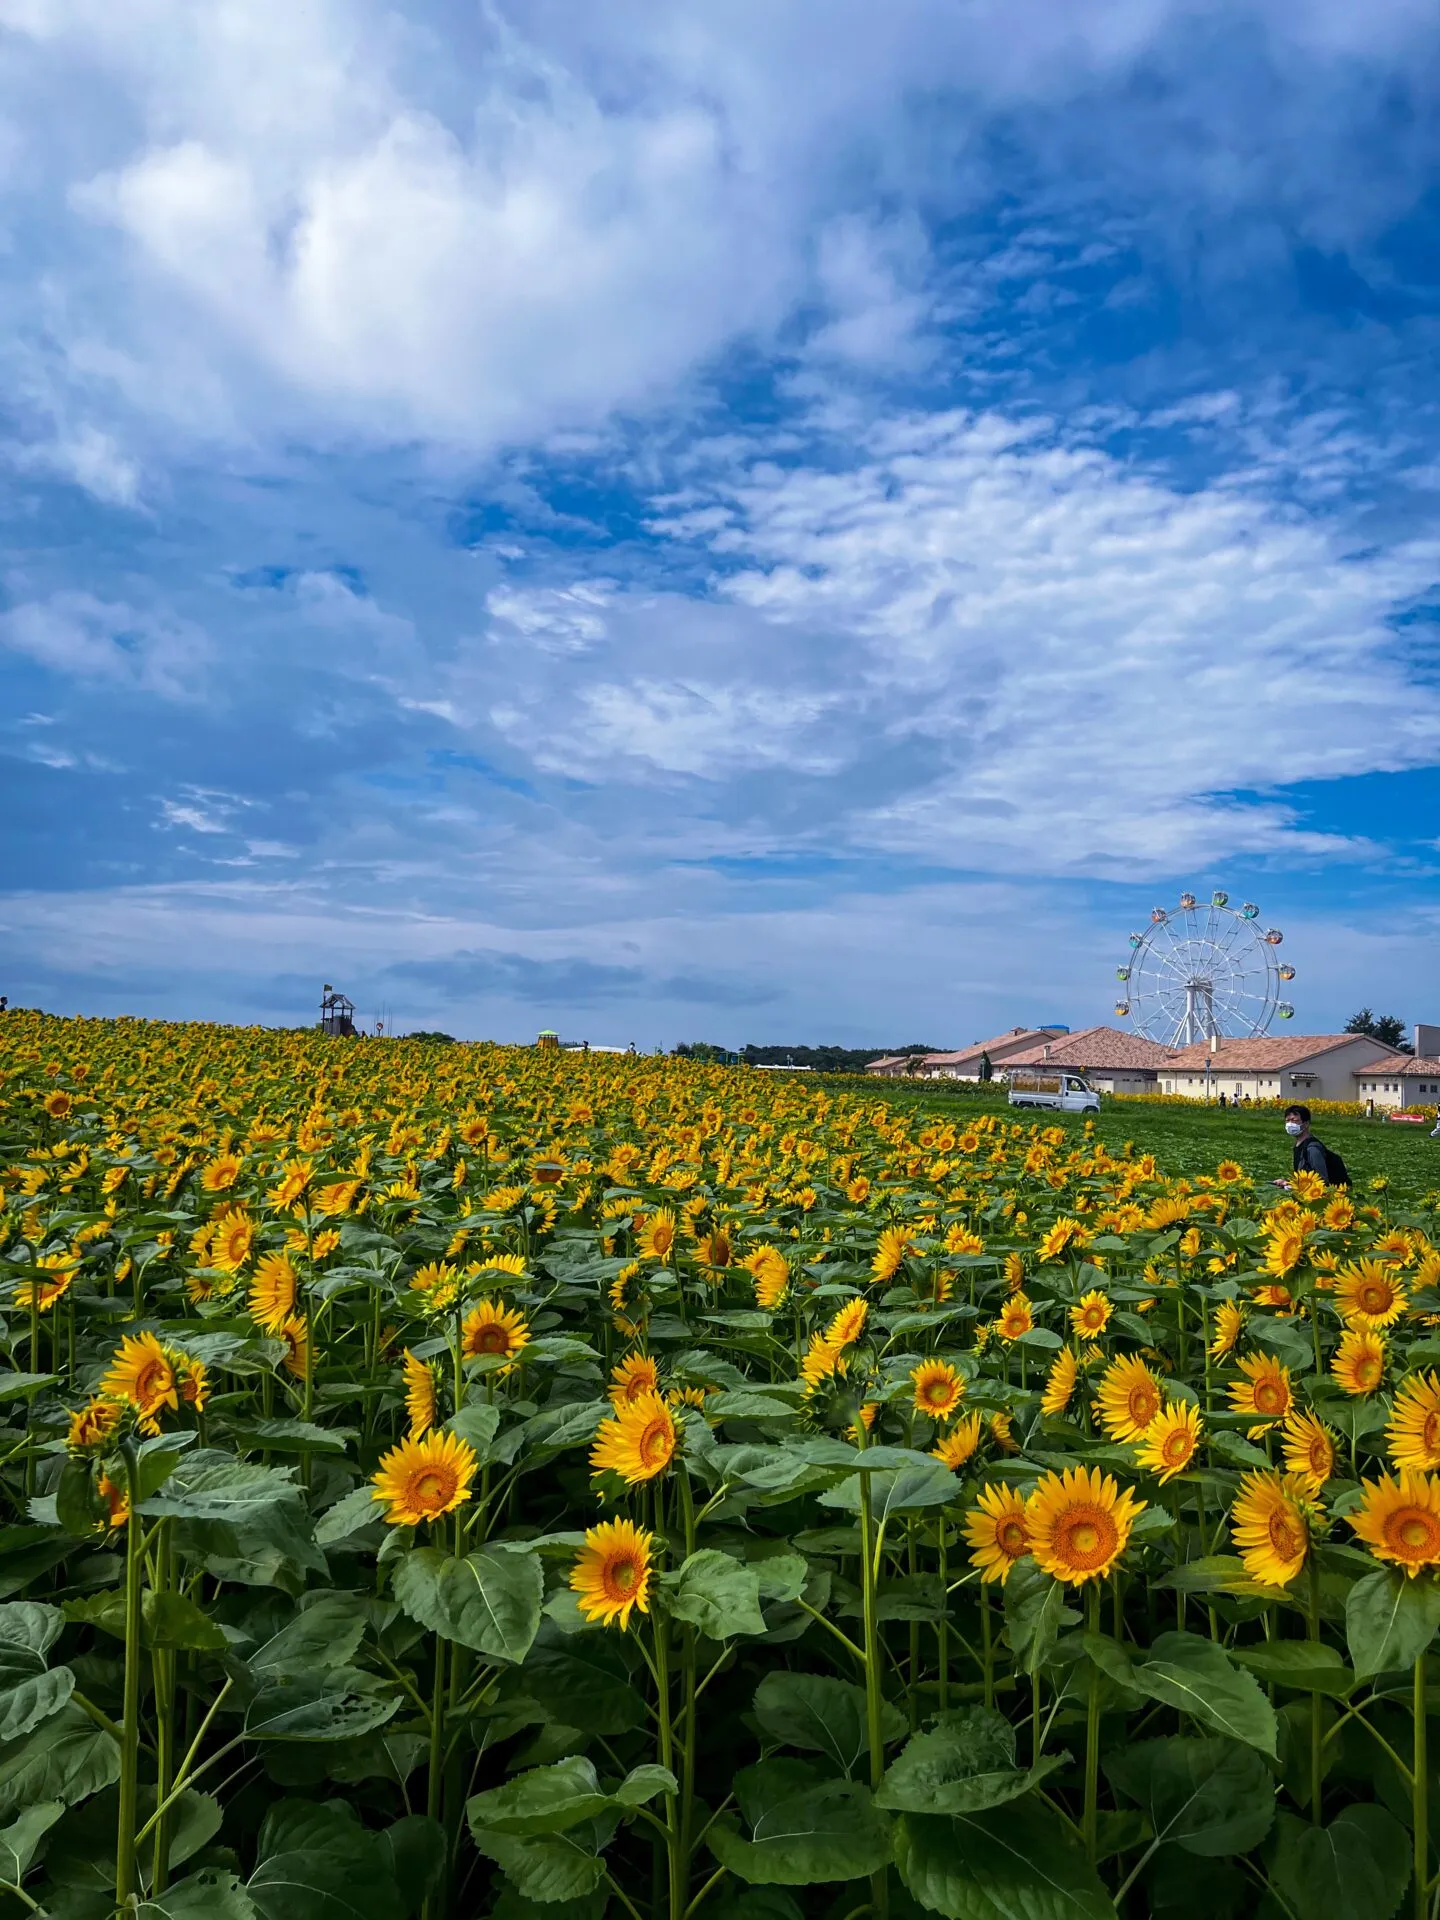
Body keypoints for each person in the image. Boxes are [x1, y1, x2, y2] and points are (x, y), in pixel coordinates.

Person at [1282, 1104, 1349, 1187]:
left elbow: (1322, 1181)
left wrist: (1294, 1186)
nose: (1290, 1124)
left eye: (1294, 1120)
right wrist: (1288, 1182)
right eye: (1287, 1121)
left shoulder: (1313, 1149)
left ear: (1306, 1124)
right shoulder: (1298, 1146)